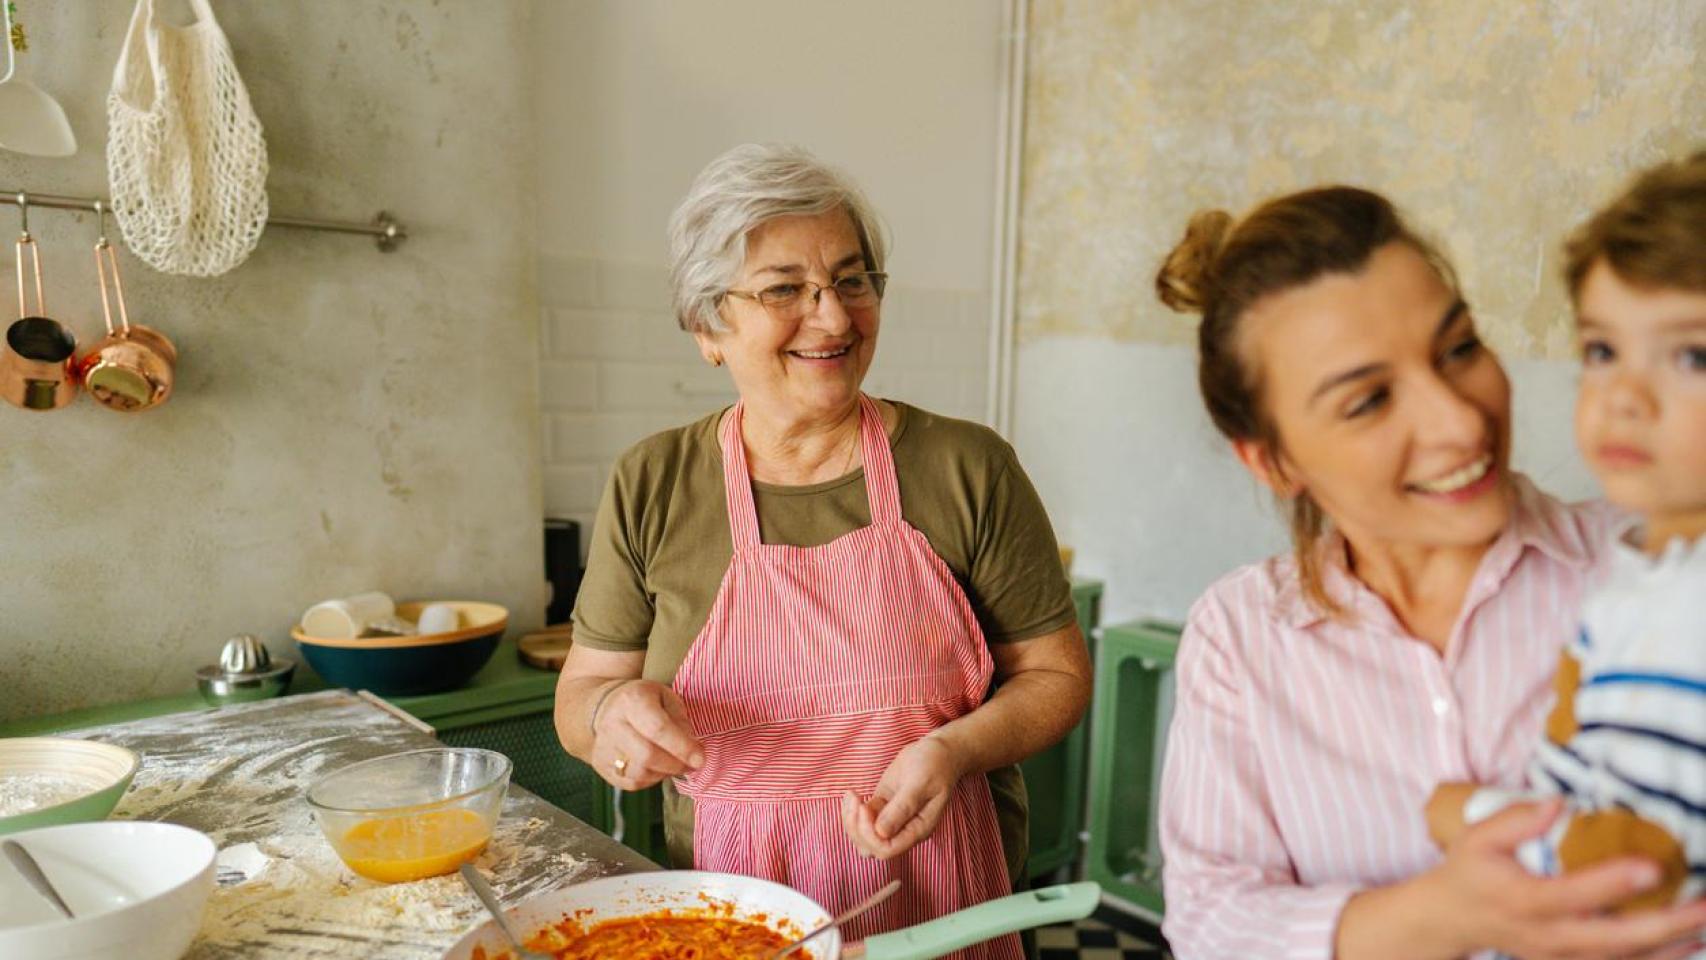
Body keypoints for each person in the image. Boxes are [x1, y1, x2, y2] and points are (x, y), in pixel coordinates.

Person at [551, 143, 1091, 958]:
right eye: (784, 291)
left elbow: (1057, 676)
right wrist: (609, 718)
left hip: (944, 906)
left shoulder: (967, 466)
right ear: (707, 326)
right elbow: (582, 698)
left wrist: (954, 749)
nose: (834, 317)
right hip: (731, 915)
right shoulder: (654, 480)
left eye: (852, 280)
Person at [1152, 184, 1706, 958]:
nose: (1461, 421)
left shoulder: (1657, 571)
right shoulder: (1241, 636)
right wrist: (1446, 916)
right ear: (1273, 460)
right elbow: (1211, 920)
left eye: (1460, 350)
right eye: (1370, 400)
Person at [1427, 152, 1706, 943]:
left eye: (1693, 356)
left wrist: (1467, 813)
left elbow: (1639, 871)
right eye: (1602, 351)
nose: (1624, 398)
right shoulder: (1643, 573)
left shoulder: (1691, 608)